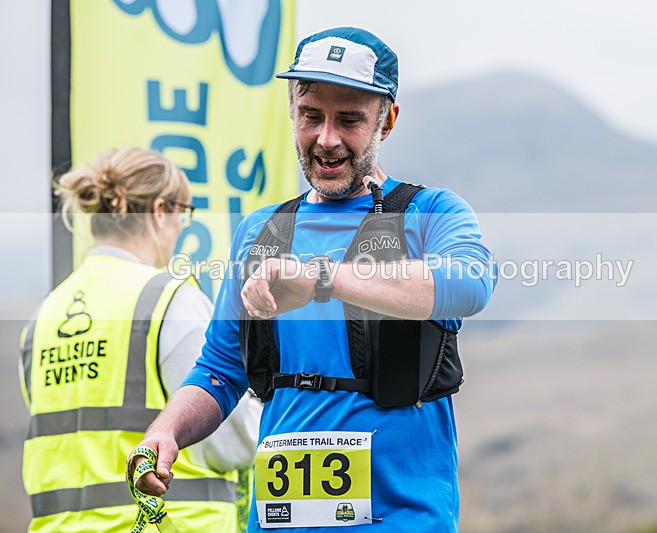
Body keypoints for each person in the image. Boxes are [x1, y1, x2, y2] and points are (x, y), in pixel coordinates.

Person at [132, 27, 496, 532]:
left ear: (386, 120)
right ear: (292, 112)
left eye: (348, 120)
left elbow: (470, 283)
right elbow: (220, 370)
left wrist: (320, 278)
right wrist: (166, 431)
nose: (326, 139)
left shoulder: (431, 212)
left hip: (403, 521)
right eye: (310, 116)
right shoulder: (259, 232)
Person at [19, 147, 260, 532]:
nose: (183, 226)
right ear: (162, 210)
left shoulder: (43, 314)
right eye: (185, 212)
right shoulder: (169, 298)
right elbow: (230, 442)